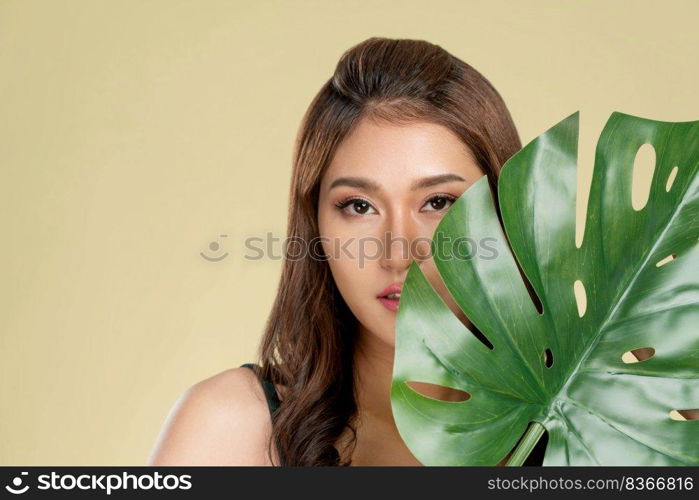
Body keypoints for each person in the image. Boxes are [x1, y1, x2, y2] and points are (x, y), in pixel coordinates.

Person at [147, 36, 548, 466]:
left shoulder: (591, 426)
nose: (398, 254)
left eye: (439, 202)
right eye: (359, 206)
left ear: (507, 212)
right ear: (316, 224)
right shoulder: (232, 428)